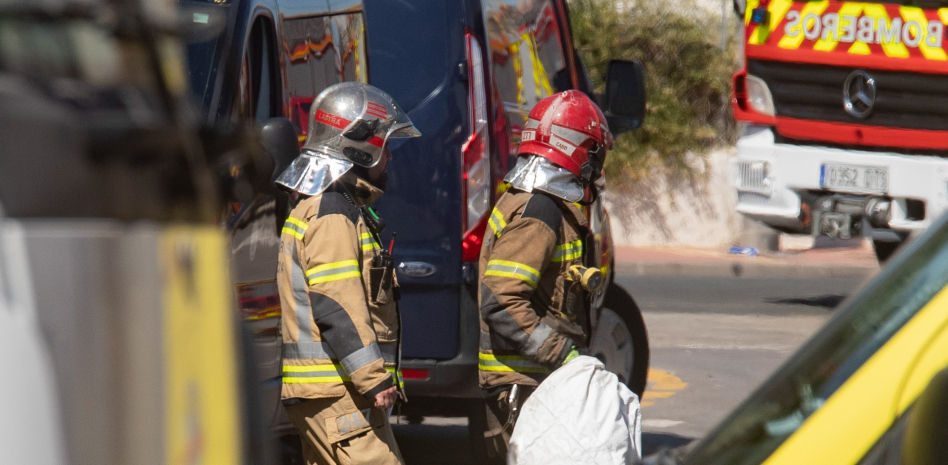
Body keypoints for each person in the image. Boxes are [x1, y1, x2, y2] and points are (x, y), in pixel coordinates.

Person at [274, 81, 420, 465]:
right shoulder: (333, 213)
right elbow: (335, 301)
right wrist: (372, 376)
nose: (389, 157)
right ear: (360, 148)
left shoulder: (333, 208)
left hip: (334, 390)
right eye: (383, 146)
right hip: (337, 391)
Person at [476, 90, 612, 461]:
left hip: (533, 385)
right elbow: (501, 301)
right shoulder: (540, 211)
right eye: (596, 155)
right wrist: (563, 354)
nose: (598, 169)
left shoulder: (534, 200)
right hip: (523, 389)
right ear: (579, 152)